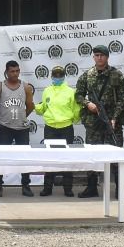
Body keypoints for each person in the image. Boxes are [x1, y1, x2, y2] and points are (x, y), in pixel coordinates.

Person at [74, 44, 124, 199]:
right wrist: (88, 104)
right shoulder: (87, 75)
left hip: (111, 121)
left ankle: (119, 189)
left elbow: (122, 100)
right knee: (92, 154)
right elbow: (78, 95)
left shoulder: (117, 76)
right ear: (93, 57)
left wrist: (114, 118)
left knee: (116, 155)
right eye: (96, 55)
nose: (99, 58)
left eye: (102, 55)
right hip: (94, 121)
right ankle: (91, 187)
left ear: (107, 57)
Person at [34, 63, 79, 196]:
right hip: (50, 128)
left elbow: (76, 109)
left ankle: (68, 188)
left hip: (66, 128)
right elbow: (44, 107)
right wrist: (34, 107)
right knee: (50, 158)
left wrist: (72, 120)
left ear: (64, 76)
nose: (57, 77)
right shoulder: (47, 91)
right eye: (55, 75)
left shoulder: (71, 92)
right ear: (51, 76)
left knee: (67, 158)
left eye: (60, 75)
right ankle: (47, 188)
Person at [0, 59, 35, 196]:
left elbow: (30, 106)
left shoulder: (26, 87)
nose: (15, 74)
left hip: (22, 128)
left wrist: (22, 117)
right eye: (12, 71)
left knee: (25, 158)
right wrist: (0, 120)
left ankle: (26, 185)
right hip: (5, 128)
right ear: (6, 72)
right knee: (1, 157)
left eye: (17, 71)